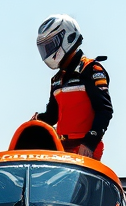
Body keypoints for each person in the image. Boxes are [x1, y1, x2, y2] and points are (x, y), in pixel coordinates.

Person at [34, 14, 113, 159]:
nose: (48, 51)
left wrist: (89, 143)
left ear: (68, 38)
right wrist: (37, 120)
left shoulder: (91, 70)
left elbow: (104, 110)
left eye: (51, 45)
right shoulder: (57, 80)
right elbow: (52, 116)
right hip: (60, 150)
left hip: (85, 149)